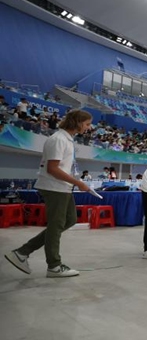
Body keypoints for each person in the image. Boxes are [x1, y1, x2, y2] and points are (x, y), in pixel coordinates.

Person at [4, 110, 93, 278]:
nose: (89, 128)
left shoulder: (67, 140)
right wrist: (78, 183)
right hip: (55, 187)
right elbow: (52, 169)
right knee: (56, 225)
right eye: (87, 124)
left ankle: (22, 252)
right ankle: (54, 265)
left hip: (63, 187)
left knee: (69, 220)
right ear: (78, 122)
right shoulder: (58, 140)